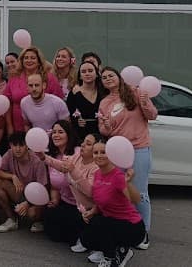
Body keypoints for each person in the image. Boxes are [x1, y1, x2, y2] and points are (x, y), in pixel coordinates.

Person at [98, 66, 157, 249]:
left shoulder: (136, 92)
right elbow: (105, 131)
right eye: (104, 77)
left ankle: (143, 232)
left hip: (139, 148)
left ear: (119, 77)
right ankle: (124, 229)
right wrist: (106, 125)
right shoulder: (105, 103)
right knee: (119, 192)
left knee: (138, 192)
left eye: (111, 75)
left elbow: (152, 115)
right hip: (117, 151)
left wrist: (146, 102)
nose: (107, 79)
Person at [80, 140, 146, 267]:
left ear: (111, 154)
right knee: (87, 237)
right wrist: (92, 211)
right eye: (95, 152)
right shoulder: (98, 174)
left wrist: (128, 182)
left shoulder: (118, 176)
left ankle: (115, 255)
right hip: (111, 221)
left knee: (99, 225)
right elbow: (101, 200)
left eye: (103, 152)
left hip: (132, 227)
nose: (99, 155)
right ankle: (110, 249)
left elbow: (136, 200)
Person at [45, 130, 98, 250]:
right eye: (83, 142)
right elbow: (62, 166)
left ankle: (87, 240)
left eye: (88, 144)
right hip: (76, 206)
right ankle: (80, 237)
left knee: (74, 222)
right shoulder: (78, 156)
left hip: (93, 209)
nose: (83, 145)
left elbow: (90, 191)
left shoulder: (97, 167)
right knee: (50, 216)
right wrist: (44, 157)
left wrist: (73, 170)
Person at [0, 131, 49, 233]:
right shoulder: (9, 154)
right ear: (10, 145)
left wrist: (28, 203)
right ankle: (12, 220)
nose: (17, 149)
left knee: (32, 214)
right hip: (19, 192)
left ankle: (39, 220)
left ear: (27, 146)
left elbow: (43, 188)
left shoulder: (37, 161)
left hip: (35, 198)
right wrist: (12, 176)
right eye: (15, 145)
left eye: (21, 145)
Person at [5, 47, 64, 135]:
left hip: (46, 128)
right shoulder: (14, 77)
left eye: (33, 58)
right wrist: (9, 126)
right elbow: (7, 103)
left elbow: (59, 102)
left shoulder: (49, 78)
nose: (29, 60)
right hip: (18, 127)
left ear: (39, 61)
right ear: (21, 60)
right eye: (26, 58)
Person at [66, 61, 107, 139]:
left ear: (97, 74)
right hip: (81, 136)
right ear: (80, 76)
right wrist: (76, 122)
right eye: (83, 72)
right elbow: (69, 115)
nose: (87, 73)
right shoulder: (74, 93)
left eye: (90, 71)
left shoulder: (104, 92)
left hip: (101, 134)